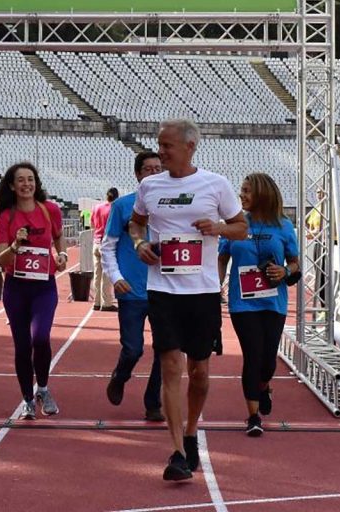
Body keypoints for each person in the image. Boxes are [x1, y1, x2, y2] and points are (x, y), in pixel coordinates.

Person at [129, 119, 247, 481]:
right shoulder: (149, 185)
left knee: (200, 372)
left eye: (167, 146)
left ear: (190, 146)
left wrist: (219, 229)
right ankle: (178, 451)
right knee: (169, 366)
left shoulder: (216, 184)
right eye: (159, 145)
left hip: (203, 291)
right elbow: (136, 224)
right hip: (163, 289)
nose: (160, 151)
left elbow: (241, 227)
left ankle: (192, 430)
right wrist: (140, 243)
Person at [218, 173, 299, 437]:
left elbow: (296, 264)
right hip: (243, 305)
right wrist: (213, 288)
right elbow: (222, 258)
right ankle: (253, 417)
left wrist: (284, 272)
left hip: (273, 303)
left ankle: (264, 387)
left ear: (262, 194)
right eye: (240, 190)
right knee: (252, 357)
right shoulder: (234, 225)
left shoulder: (284, 226)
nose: (241, 196)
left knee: (268, 363)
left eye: (246, 191)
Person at [0, 162, 67, 419]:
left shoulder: (50, 211)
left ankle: (43, 389)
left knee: (41, 338)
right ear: (12, 186)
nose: (27, 184)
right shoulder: (6, 217)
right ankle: (27, 398)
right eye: (21, 180)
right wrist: (15, 245)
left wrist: (62, 254)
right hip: (16, 288)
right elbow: (1, 260)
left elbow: (58, 237)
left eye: (31, 179)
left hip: (44, 287)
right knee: (22, 345)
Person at [102, 152, 164, 422]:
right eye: (148, 169)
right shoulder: (123, 206)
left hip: (165, 289)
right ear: (138, 174)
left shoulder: (170, 206)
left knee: (165, 350)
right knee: (133, 349)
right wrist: (115, 276)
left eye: (158, 169)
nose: (153, 173)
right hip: (131, 289)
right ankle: (120, 376)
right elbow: (108, 244)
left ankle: (153, 403)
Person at [91, 187, 119, 311]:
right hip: (106, 243)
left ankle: (96, 302)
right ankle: (106, 302)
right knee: (107, 275)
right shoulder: (114, 209)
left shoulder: (96, 207)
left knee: (97, 274)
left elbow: (92, 224)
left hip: (96, 241)